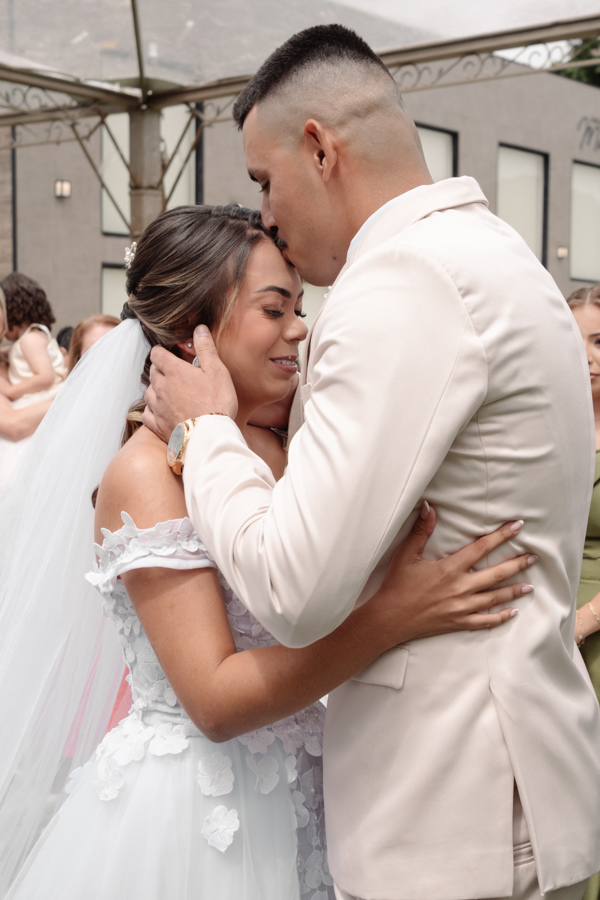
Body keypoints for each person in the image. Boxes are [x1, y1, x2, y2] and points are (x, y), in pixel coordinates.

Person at [144, 25, 600, 900]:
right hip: (492, 787)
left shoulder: (406, 279)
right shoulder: (501, 256)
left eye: (265, 179)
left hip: (445, 803)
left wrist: (203, 434)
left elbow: (294, 587)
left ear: (321, 149)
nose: (266, 213)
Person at [0, 205, 533, 900]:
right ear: (193, 331)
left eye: (300, 309)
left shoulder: (279, 442)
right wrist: (393, 617)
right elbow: (215, 702)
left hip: (308, 792)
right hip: (199, 818)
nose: (300, 329)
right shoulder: (144, 473)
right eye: (275, 309)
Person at [567, 284, 600, 900]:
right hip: (543, 625)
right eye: (575, 340)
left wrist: (586, 619)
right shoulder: (548, 423)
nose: (589, 355)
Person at [0, 274, 65, 491]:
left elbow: (45, 377)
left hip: (41, 399)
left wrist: (11, 390)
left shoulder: (29, 339)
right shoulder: (29, 339)